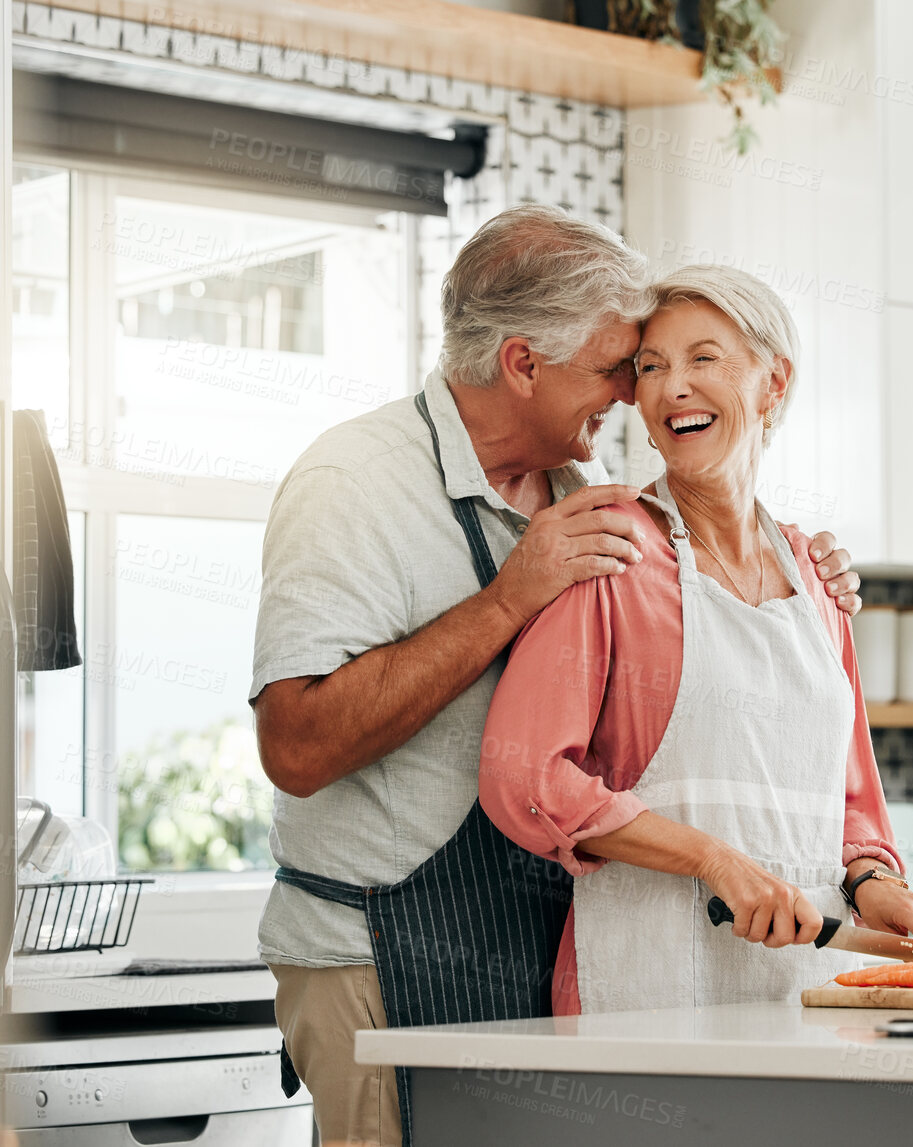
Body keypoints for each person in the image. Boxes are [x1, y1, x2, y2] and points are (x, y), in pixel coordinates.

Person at [249, 208, 863, 1146]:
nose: (631, 395)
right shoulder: (354, 483)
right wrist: (507, 598)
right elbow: (295, 746)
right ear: (524, 364)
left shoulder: (579, 498)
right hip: (375, 953)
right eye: (622, 366)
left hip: (524, 944)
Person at [480, 265, 913, 1016]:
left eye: (703, 359)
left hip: (807, 988)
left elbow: (850, 795)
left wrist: (875, 882)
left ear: (773, 383)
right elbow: (523, 776)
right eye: (650, 367)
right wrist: (711, 859)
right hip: (644, 987)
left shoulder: (815, 578)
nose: (672, 388)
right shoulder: (612, 553)